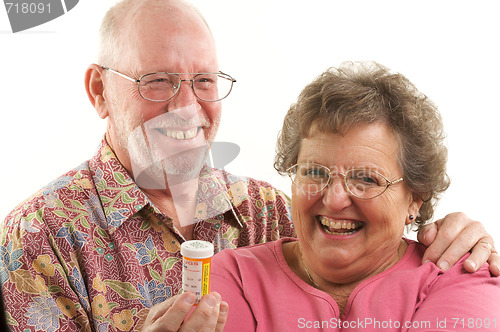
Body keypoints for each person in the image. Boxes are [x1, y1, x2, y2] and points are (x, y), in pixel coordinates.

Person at [0, 1, 497, 331]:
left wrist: (459, 237)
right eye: (157, 81)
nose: (187, 107)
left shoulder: (267, 209)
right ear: (98, 91)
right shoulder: (40, 234)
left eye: (204, 81)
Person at [211, 61, 500, 331]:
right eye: (314, 172)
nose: (335, 200)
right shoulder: (234, 276)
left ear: (415, 198)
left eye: (365, 179)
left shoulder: (460, 276)